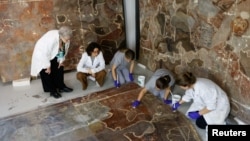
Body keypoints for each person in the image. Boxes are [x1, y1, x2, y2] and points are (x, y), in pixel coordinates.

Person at [30, 26, 73, 99]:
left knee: (59, 67)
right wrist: (48, 66)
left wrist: (61, 60)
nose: (68, 40)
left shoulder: (65, 39)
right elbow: (43, 53)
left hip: (53, 53)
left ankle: (61, 86)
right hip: (42, 55)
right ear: (61, 36)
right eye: (67, 39)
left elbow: (63, 49)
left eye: (69, 38)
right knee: (47, 72)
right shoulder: (51, 39)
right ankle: (52, 91)